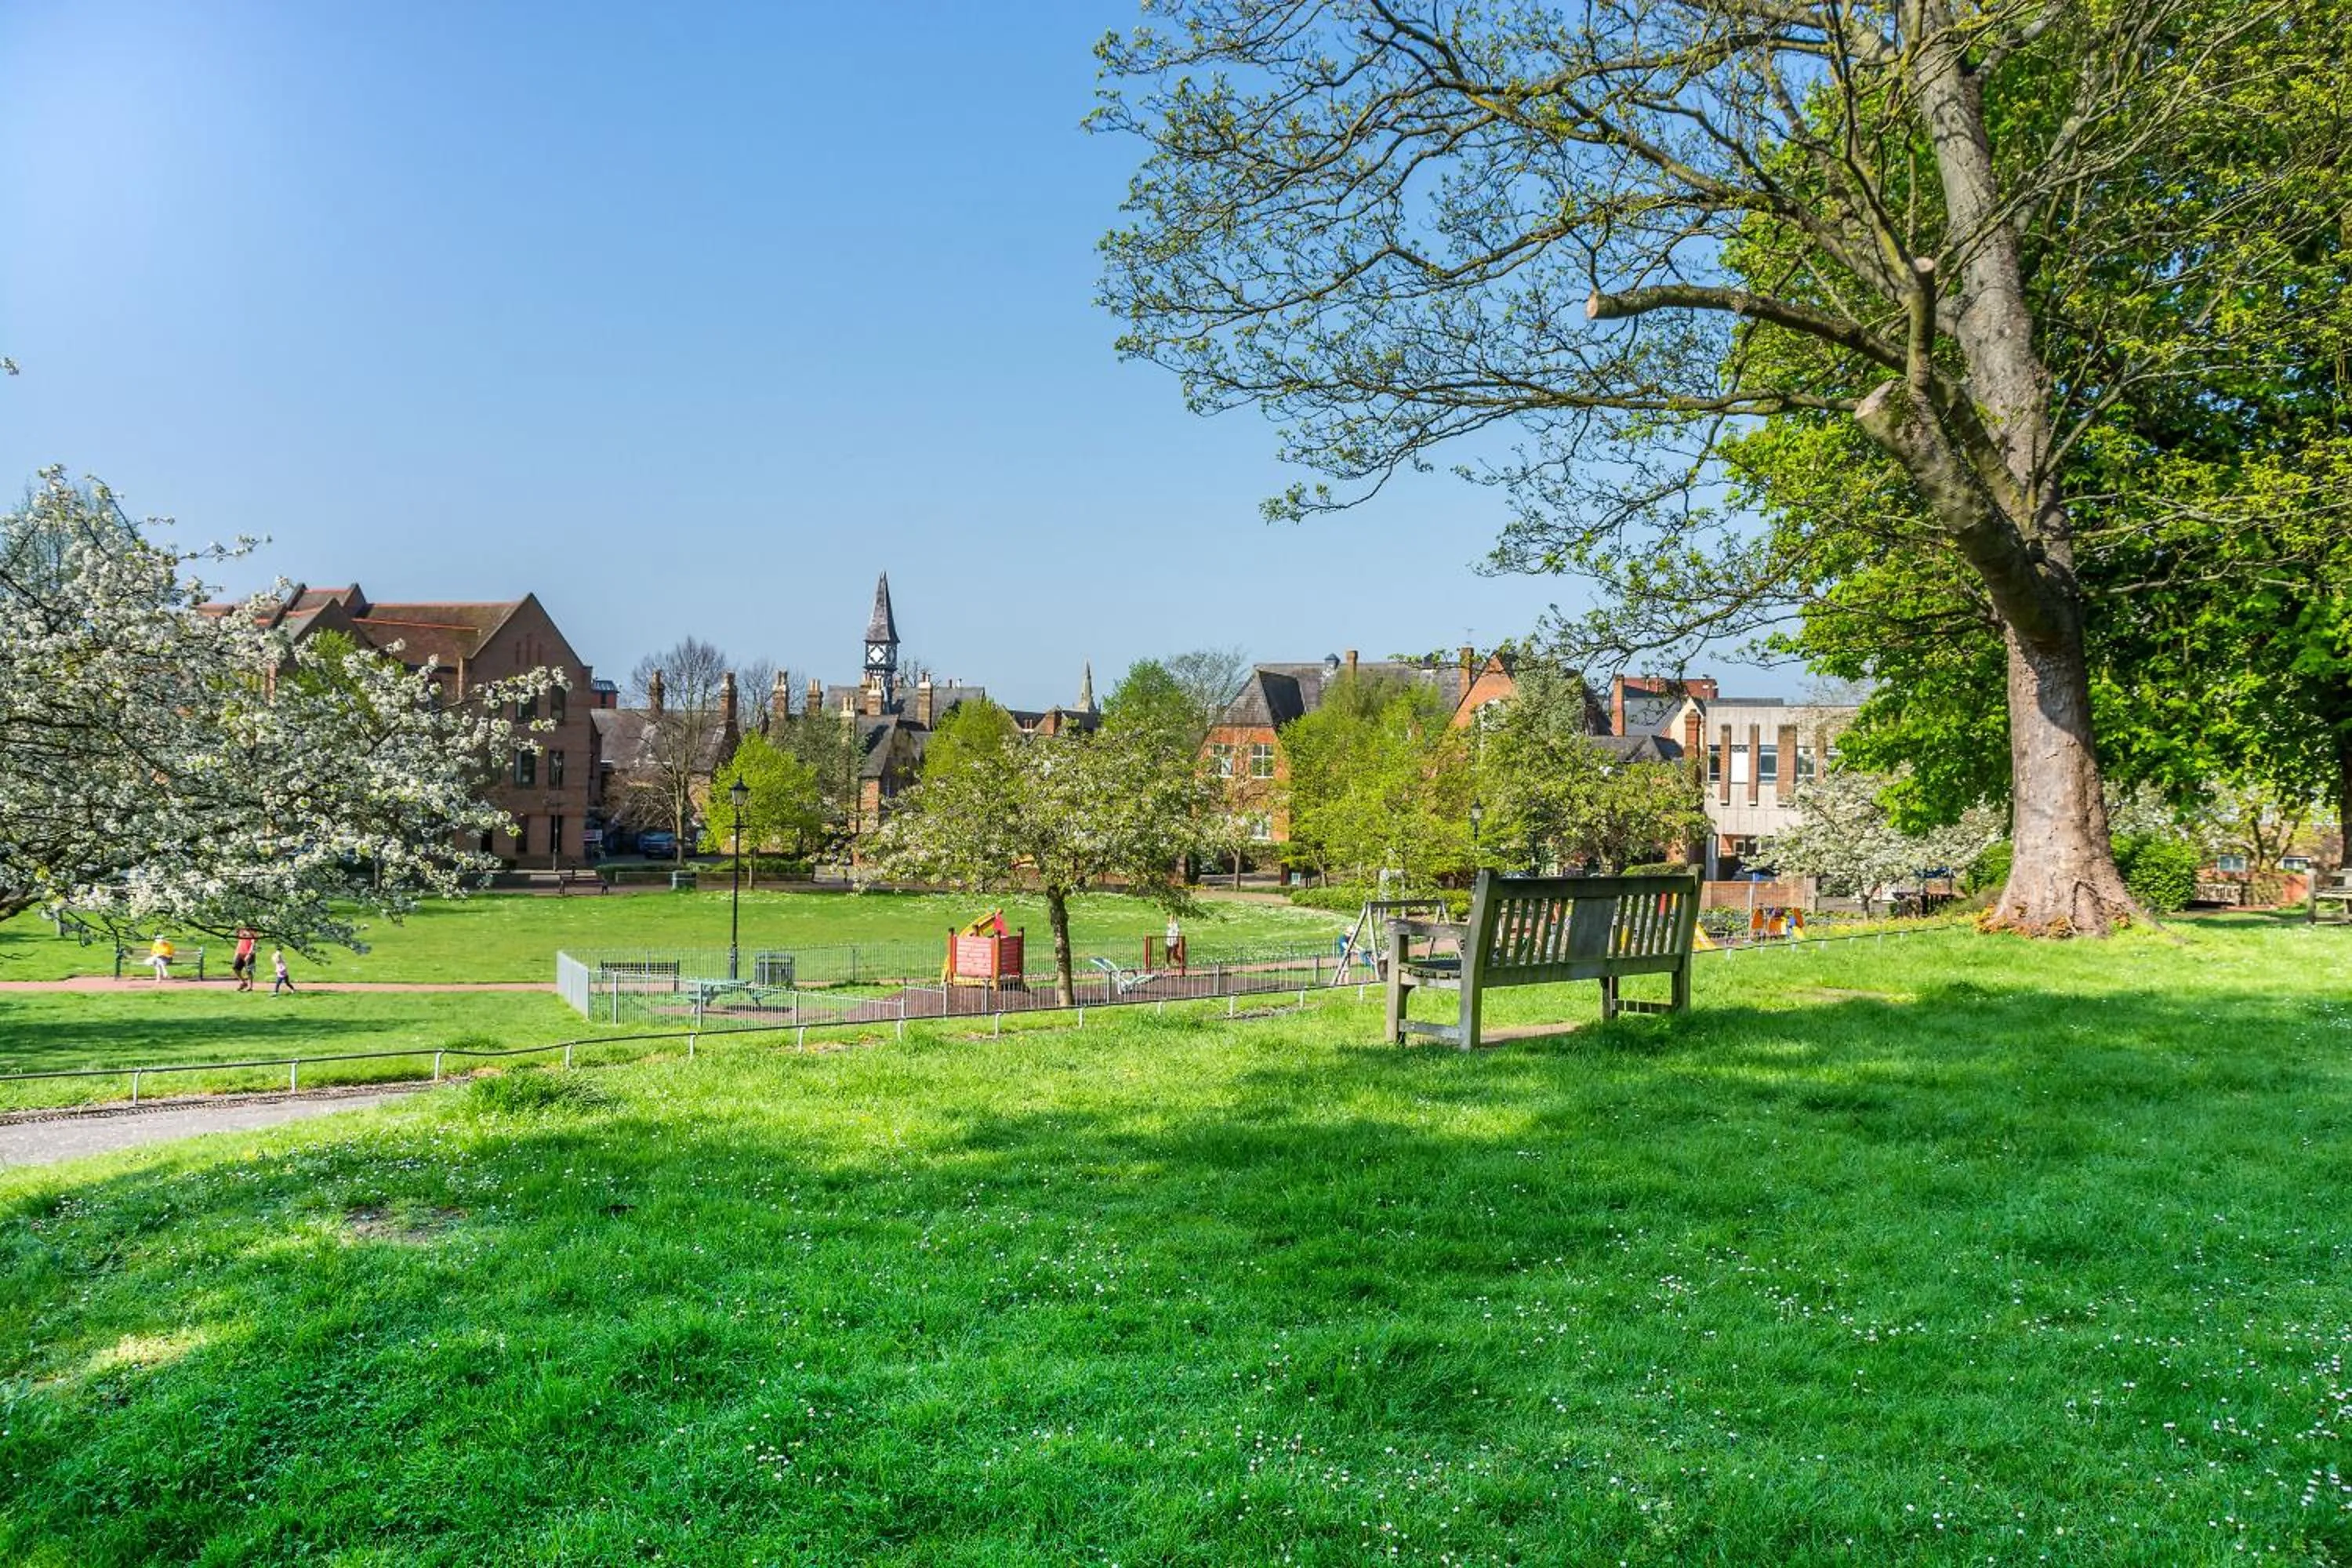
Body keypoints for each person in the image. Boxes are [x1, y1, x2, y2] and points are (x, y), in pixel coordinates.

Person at [233, 926, 258, 991]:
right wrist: (236, 953)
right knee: (235, 968)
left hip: (249, 954)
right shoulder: (241, 931)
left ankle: (250, 987)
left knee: (249, 970)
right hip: (240, 952)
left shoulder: (253, 933)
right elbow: (236, 935)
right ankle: (243, 982)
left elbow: (253, 944)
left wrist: (249, 954)